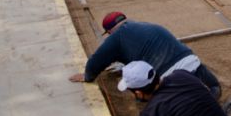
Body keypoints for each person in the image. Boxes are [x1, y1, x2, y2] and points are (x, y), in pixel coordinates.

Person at [69, 12, 222, 99]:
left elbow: (96, 61)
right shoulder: (147, 25)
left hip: (169, 77)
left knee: (142, 92)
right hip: (192, 62)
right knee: (215, 88)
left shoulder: (117, 37)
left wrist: (88, 76)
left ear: (109, 32)